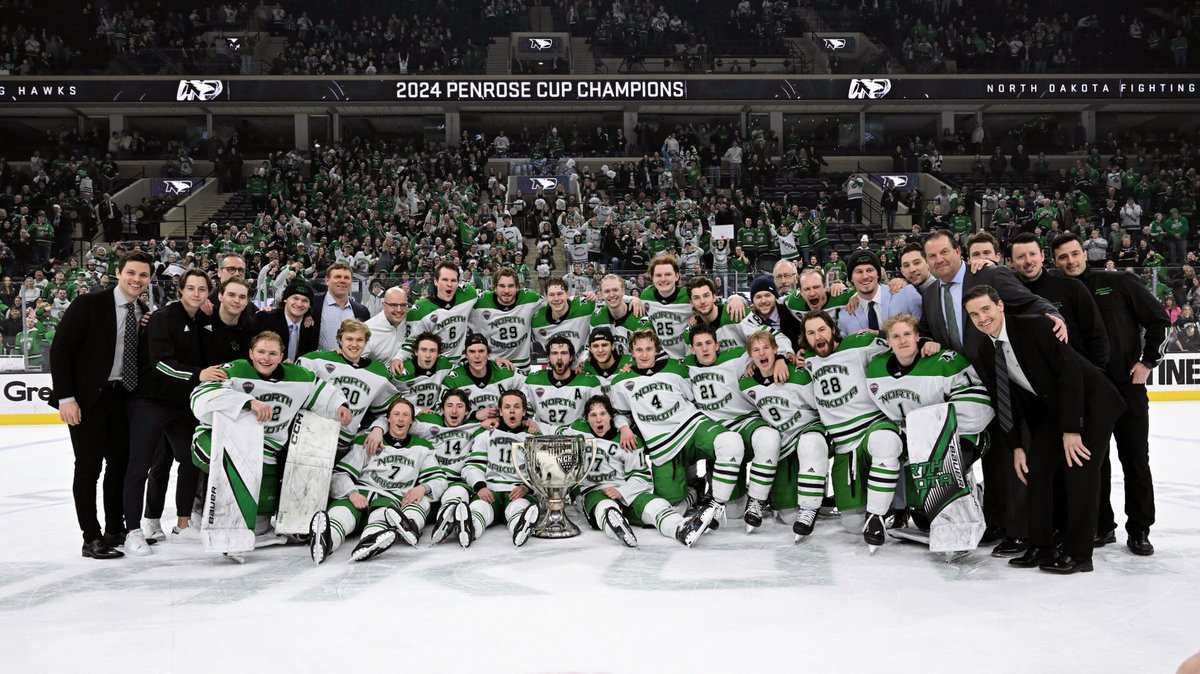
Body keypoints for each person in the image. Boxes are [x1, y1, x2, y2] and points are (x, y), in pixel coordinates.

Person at [963, 285, 1124, 574]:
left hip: (1090, 403)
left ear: (1000, 306)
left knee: (1079, 473)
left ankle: (1079, 554)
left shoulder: (1035, 326)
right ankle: (1041, 545)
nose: (982, 318)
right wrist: (1016, 447)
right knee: (1037, 469)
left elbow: (1070, 373)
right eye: (974, 314)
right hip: (1054, 410)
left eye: (986, 309)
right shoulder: (985, 350)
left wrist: (1072, 429)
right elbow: (1004, 400)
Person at [918, 228, 1063, 544]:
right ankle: (997, 521)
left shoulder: (988, 275)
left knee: (1017, 456)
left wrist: (1051, 313)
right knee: (993, 457)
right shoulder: (929, 294)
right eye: (932, 256)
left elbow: (1028, 301)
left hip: (1006, 380)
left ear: (959, 251)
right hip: (971, 391)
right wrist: (927, 341)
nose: (939, 259)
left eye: (944, 252)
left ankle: (1022, 530)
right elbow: (930, 331)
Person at [1050, 233, 1169, 555]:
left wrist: (1148, 361)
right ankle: (1102, 526)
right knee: (1095, 465)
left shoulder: (1117, 283)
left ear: (1085, 254)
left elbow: (1159, 320)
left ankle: (1140, 529)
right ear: (1055, 262)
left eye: (1075, 254)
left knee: (1135, 460)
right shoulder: (1054, 292)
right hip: (1088, 395)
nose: (1071, 261)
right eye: (1063, 257)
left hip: (1127, 389)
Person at [190, 331, 352, 549]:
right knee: (229, 467)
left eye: (273, 353)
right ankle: (201, 512)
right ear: (251, 352)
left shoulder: (298, 376)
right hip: (219, 439)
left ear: (282, 355)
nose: (266, 358)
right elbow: (199, 398)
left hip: (265, 451)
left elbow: (323, 391)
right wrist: (248, 402)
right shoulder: (235, 369)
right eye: (261, 352)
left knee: (259, 527)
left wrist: (339, 406)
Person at [50, 250, 153, 560]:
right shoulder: (89, 304)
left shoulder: (142, 311)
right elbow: (61, 349)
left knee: (119, 465)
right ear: (118, 273)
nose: (137, 279)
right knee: (88, 469)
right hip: (87, 400)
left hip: (122, 397)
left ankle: (114, 528)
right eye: (131, 273)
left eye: (143, 275)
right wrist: (66, 398)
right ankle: (90, 537)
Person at [866, 314, 994, 539]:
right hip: (916, 443)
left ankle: (967, 503)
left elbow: (979, 407)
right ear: (888, 342)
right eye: (895, 336)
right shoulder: (876, 370)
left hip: (960, 437)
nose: (902, 340)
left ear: (918, 337)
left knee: (946, 475)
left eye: (907, 334)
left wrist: (933, 426)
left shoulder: (946, 362)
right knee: (925, 519)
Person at [608, 329, 745, 537]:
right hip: (663, 447)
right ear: (631, 352)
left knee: (731, 442)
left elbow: (701, 376)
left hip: (691, 427)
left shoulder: (678, 369)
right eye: (639, 350)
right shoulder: (620, 382)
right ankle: (695, 492)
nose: (644, 354)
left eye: (648, 349)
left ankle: (716, 504)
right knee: (673, 508)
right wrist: (624, 427)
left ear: (657, 350)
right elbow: (620, 413)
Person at [122, 269, 212, 555]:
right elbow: (161, 363)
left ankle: (182, 524)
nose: (196, 294)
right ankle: (134, 530)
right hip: (150, 402)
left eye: (202, 289)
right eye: (191, 288)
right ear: (181, 290)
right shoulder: (163, 317)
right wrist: (200, 374)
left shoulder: (200, 321)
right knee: (140, 465)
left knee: (191, 459)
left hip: (181, 405)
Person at [309, 398, 446, 564]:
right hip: (359, 493)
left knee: (383, 515)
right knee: (341, 512)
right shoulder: (368, 441)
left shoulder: (423, 447)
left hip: (390, 498)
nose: (401, 419)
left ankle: (369, 541)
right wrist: (352, 493)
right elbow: (340, 474)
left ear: (412, 420)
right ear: (388, 418)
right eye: (396, 414)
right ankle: (326, 540)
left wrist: (423, 488)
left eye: (405, 415)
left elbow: (439, 479)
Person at [684, 324, 787, 531]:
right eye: (699, 345)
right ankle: (719, 491)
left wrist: (783, 357)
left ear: (717, 345)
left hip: (744, 421)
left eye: (708, 343)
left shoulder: (739, 356)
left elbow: (773, 341)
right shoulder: (684, 366)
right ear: (692, 349)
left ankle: (757, 500)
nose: (704, 349)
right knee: (733, 512)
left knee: (769, 437)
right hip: (717, 432)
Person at [562, 395, 696, 547]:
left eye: (602, 414)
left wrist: (622, 492)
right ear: (587, 418)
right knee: (605, 507)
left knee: (654, 505)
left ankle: (680, 527)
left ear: (611, 416)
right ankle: (618, 528)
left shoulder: (628, 440)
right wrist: (532, 424)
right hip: (595, 491)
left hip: (627, 492)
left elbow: (642, 476)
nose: (598, 419)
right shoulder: (577, 431)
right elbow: (555, 432)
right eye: (593, 415)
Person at [739, 330, 828, 539]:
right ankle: (757, 500)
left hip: (809, 429)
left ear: (775, 350)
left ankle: (810, 508)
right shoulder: (746, 384)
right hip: (783, 442)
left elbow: (820, 406)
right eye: (756, 350)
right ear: (750, 356)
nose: (762, 353)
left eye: (766, 348)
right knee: (788, 515)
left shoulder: (798, 374)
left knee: (810, 443)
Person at [296, 319, 399, 451]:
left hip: (345, 446)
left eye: (359, 340)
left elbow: (392, 410)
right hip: (310, 437)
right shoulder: (316, 360)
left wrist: (378, 428)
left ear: (366, 342)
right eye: (349, 339)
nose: (354, 344)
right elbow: (293, 385)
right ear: (340, 340)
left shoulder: (379, 373)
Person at [458, 390, 542, 548]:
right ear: (501, 411)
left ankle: (520, 526)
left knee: (519, 508)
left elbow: (542, 472)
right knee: (479, 507)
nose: (512, 411)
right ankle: (470, 528)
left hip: (518, 491)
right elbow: (472, 466)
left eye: (517, 407)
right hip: (491, 490)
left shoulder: (533, 438)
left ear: (524, 411)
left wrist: (527, 487)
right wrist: (480, 487)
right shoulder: (487, 434)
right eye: (507, 407)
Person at [641, 253, 744, 359]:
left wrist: (735, 298)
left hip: (689, 354)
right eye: (658, 275)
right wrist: (631, 299)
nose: (663, 279)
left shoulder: (688, 295)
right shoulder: (646, 296)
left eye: (668, 274)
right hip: (664, 356)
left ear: (677, 276)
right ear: (652, 277)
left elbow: (713, 301)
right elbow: (623, 298)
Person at [469, 267, 544, 371]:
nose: (506, 291)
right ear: (494, 287)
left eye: (511, 286)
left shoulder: (530, 298)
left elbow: (555, 303)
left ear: (518, 287)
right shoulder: (480, 302)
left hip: (521, 366)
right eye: (502, 286)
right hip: (492, 365)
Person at [441, 334, 534, 417]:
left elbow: (531, 387)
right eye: (472, 352)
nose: (477, 356)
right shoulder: (453, 379)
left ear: (488, 353)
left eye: (481, 351)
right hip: (469, 430)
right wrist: (474, 414)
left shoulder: (506, 372)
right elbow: (440, 410)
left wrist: (523, 417)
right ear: (466, 355)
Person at [404, 261, 481, 359]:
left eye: (453, 280)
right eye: (445, 280)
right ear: (436, 281)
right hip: (433, 364)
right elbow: (409, 345)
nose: (449, 284)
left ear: (458, 282)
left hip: (460, 362)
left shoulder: (469, 295)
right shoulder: (421, 308)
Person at [525, 335, 607, 427]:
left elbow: (602, 415)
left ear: (571, 357)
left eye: (564, 353)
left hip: (577, 436)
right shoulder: (533, 380)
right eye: (554, 353)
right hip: (542, 437)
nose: (559, 357)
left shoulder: (589, 382)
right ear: (548, 357)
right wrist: (528, 421)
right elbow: (523, 414)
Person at [837, 250, 923, 336]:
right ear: (851, 278)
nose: (865, 276)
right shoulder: (845, 315)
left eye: (869, 270)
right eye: (859, 272)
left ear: (878, 274)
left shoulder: (906, 293)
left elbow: (925, 331)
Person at [391, 331, 456, 413]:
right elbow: (390, 398)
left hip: (433, 415)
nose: (428, 355)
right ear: (416, 352)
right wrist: (416, 412)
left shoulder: (444, 365)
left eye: (432, 351)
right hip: (406, 415)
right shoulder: (402, 370)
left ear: (438, 353)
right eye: (424, 350)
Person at [254, 282, 318, 362]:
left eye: (305, 301)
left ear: (309, 306)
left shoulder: (311, 329)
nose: (299, 303)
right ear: (285, 299)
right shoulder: (265, 319)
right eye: (295, 298)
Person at [589, 274, 651, 356]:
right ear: (601, 294)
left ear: (623, 291)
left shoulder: (641, 319)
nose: (611, 295)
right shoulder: (597, 318)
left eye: (615, 290)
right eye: (607, 291)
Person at [313, 263, 370, 351]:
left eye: (346, 278)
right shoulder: (313, 303)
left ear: (351, 282)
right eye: (337, 277)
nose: (342, 280)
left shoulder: (362, 311)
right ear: (327, 280)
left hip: (350, 363)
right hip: (317, 362)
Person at [363, 287, 410, 373]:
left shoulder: (411, 321)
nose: (399, 310)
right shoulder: (368, 329)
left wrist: (399, 357)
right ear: (383, 304)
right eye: (394, 305)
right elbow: (356, 362)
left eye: (403, 305)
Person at [580, 326, 633, 393]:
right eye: (595, 346)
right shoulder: (586, 368)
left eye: (604, 345)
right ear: (590, 349)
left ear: (613, 346)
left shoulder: (629, 362)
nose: (600, 350)